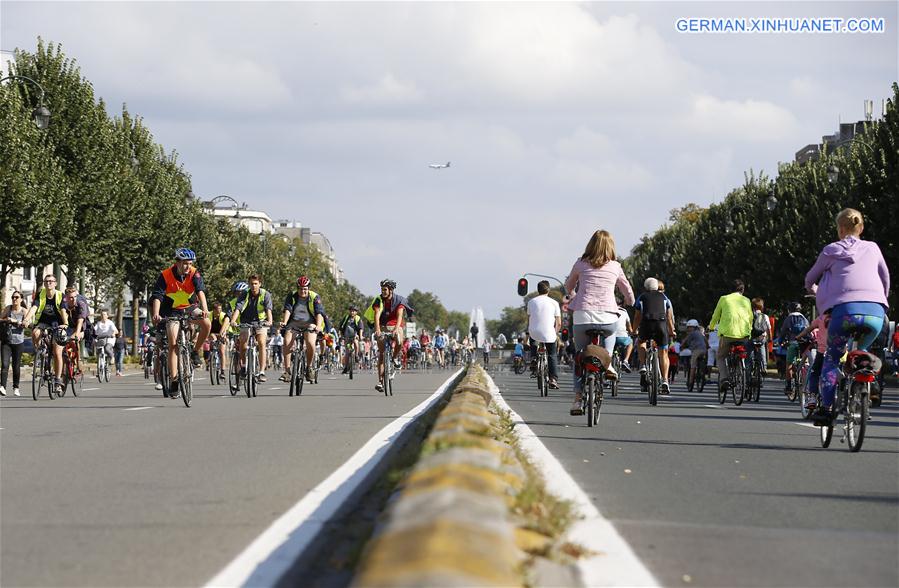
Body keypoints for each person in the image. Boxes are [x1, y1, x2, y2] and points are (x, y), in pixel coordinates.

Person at [804, 208, 890, 419]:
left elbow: (809, 278)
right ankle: (865, 385)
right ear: (860, 227)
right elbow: (885, 277)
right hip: (875, 314)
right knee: (862, 350)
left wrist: (813, 290)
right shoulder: (873, 248)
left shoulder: (830, 250)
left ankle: (826, 408)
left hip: (844, 313)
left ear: (840, 229)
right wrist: (880, 300)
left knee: (832, 357)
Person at [563, 230, 635, 415]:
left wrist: (573, 296)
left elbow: (569, 285)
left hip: (583, 316)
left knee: (580, 358)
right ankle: (608, 364)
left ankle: (578, 400)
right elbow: (626, 289)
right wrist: (629, 302)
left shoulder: (580, 263)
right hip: (608, 316)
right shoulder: (615, 266)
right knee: (610, 332)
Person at [150, 248, 212, 398]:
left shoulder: (194, 273)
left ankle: (195, 351)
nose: (187, 266)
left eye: (189, 263)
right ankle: (174, 380)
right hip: (171, 311)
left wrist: (205, 309)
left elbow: (200, 291)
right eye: (184, 263)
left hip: (190, 307)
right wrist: (157, 314)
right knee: (173, 344)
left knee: (207, 323)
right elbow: (157, 296)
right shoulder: (165, 275)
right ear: (177, 262)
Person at [24, 274, 70, 392]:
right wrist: (26, 319)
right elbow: (34, 307)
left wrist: (65, 323)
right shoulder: (41, 294)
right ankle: (40, 353)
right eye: (46, 281)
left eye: (51, 281)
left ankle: (58, 380)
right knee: (35, 333)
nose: (48, 283)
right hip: (43, 322)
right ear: (44, 283)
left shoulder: (61, 295)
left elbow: (64, 310)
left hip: (58, 324)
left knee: (57, 351)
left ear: (55, 283)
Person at [708, 279, 754, 395]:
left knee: (720, 356)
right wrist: (749, 330)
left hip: (727, 334)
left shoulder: (724, 299)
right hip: (744, 334)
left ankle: (724, 379)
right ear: (742, 290)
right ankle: (741, 373)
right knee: (743, 354)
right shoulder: (747, 300)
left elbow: (716, 315)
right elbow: (750, 317)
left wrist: (711, 327)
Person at [365, 279, 411, 392]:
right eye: (382, 289)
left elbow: (400, 315)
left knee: (399, 340)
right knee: (382, 353)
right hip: (382, 325)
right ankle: (380, 382)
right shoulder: (378, 299)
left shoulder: (399, 300)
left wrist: (396, 329)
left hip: (396, 325)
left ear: (391, 290)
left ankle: (394, 358)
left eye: (385, 289)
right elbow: (376, 315)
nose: (383, 292)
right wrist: (378, 330)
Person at [633, 277, 675, 394]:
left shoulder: (642, 297)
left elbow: (637, 316)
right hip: (661, 326)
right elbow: (669, 317)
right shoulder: (665, 298)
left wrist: (634, 329)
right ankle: (665, 380)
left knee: (641, 342)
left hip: (646, 325)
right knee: (664, 353)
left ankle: (643, 365)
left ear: (645, 287)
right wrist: (671, 331)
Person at [280, 276, 325, 383]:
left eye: (305, 289)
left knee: (310, 342)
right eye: (300, 288)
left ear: (308, 288)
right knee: (287, 341)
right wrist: (285, 322)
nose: (302, 291)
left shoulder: (314, 297)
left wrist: (318, 326)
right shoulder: (292, 295)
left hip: (310, 323)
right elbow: (288, 310)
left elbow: (319, 313)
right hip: (294, 322)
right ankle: (287, 372)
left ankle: (309, 367)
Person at [231, 275, 273, 383]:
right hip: (246, 321)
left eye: (255, 283)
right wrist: (233, 320)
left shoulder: (265, 294)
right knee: (243, 344)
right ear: (249, 284)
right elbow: (238, 308)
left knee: (261, 343)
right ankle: (244, 366)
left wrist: (270, 321)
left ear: (260, 284)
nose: (253, 286)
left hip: (261, 322)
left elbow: (268, 309)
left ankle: (262, 371)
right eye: (251, 284)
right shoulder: (245, 294)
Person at [527, 280, 562, 388]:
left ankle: (533, 358)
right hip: (549, 333)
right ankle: (553, 379)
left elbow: (529, 319)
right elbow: (559, 323)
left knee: (533, 339)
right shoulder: (554, 303)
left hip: (534, 331)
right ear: (549, 289)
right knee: (552, 354)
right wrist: (555, 333)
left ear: (538, 290)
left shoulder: (531, 302)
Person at [795, 312, 830, 410]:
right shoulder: (841, 316)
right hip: (840, 352)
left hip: (822, 351)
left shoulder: (822, 318)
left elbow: (808, 329)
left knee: (814, 373)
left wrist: (798, 336)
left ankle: (813, 397)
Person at [0, 291, 28, 396]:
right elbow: (0, 319)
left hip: (18, 342)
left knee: (16, 366)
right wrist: (6, 319)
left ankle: (16, 387)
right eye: (13, 297)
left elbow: (28, 324)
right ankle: (2, 386)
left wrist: (17, 322)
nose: (14, 299)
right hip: (6, 341)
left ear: (21, 299)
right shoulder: (8, 308)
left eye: (16, 297)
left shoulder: (24, 311)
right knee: (5, 364)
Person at [779, 301, 810, 394]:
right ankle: (806, 383)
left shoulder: (788, 318)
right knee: (806, 363)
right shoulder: (804, 318)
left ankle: (788, 386)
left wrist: (781, 341)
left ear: (790, 309)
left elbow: (783, 332)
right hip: (804, 344)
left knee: (789, 364)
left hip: (793, 343)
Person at [63, 285, 91, 374]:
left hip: (81, 325)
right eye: (71, 298)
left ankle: (78, 361)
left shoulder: (81, 303)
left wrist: (77, 333)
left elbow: (80, 321)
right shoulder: (63, 302)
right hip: (69, 324)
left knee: (75, 339)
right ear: (66, 298)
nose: (73, 299)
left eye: (75, 297)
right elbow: (62, 313)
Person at [681, 319, 707, 391]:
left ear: (694, 327)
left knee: (692, 366)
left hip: (696, 350)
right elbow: (705, 340)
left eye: (690, 327)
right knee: (702, 361)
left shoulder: (691, 333)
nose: (689, 328)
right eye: (688, 327)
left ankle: (690, 382)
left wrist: (681, 346)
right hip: (704, 350)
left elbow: (685, 341)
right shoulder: (700, 333)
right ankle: (703, 374)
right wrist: (708, 347)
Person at [750, 297, 772, 377]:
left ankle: (749, 367)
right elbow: (769, 329)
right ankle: (764, 367)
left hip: (751, 338)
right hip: (761, 338)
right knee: (762, 348)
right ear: (762, 307)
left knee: (750, 351)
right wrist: (770, 339)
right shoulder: (765, 316)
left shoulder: (750, 315)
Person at [339, 305, 363, 373]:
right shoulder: (346, 317)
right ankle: (346, 367)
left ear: (356, 312)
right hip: (347, 335)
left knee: (355, 342)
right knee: (347, 352)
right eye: (351, 311)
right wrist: (341, 335)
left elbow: (360, 328)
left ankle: (356, 355)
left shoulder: (358, 318)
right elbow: (341, 327)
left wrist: (360, 336)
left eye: (354, 311)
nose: (352, 312)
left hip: (354, 335)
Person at [611, 306, 634, 372]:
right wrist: (632, 332)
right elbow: (629, 328)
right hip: (622, 336)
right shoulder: (624, 311)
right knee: (630, 343)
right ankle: (626, 361)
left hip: (610, 336)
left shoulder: (609, 309)